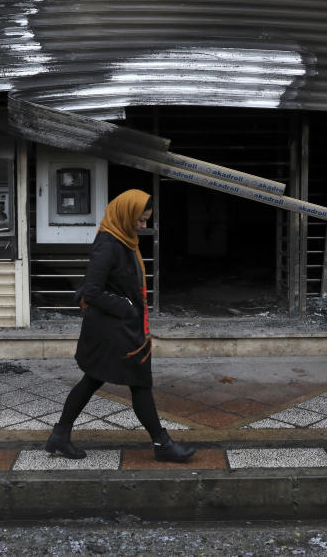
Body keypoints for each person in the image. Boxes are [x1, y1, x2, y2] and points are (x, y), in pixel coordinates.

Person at [45, 189, 196, 462]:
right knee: (139, 382)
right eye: (140, 220)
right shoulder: (109, 244)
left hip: (117, 328)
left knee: (93, 379)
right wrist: (126, 307)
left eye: (146, 220)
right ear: (126, 215)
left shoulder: (124, 239)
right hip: (114, 331)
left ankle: (60, 435)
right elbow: (91, 291)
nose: (143, 226)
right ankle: (162, 444)